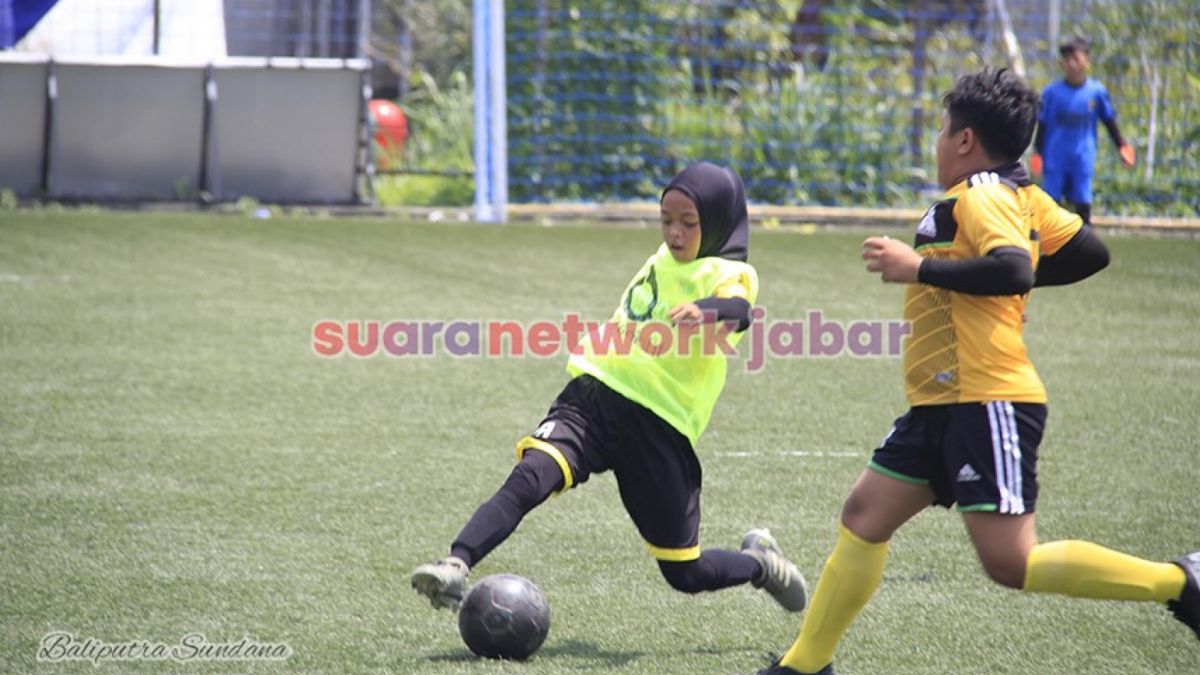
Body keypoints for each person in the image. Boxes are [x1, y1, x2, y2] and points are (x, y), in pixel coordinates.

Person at [756, 69, 1198, 675]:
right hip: (941, 402)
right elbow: (1089, 252)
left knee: (1010, 563)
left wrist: (922, 270)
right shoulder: (1019, 193)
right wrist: (993, 276)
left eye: (941, 131)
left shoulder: (985, 194)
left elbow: (1015, 270)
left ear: (965, 140)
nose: (937, 143)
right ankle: (805, 665)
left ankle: (1180, 583)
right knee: (864, 515)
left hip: (986, 397)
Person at [411, 162, 808, 615]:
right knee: (530, 476)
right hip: (594, 395)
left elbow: (740, 310)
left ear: (717, 221)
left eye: (688, 223)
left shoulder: (729, 272)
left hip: (658, 426)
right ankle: (455, 565)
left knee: (685, 574)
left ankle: (760, 565)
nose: (674, 233)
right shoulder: (661, 257)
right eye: (666, 220)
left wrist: (708, 309)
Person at [1030, 35, 1136, 226]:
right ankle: (1049, 249)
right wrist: (1038, 153)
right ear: (1061, 63)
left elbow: (1108, 120)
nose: (1071, 64)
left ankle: (1084, 247)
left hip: (1082, 158)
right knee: (1050, 205)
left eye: (1076, 59)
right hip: (1055, 158)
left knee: (1082, 204)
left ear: (1087, 61)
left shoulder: (1096, 92)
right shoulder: (1051, 93)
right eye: (1066, 59)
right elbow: (1042, 124)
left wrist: (1122, 145)